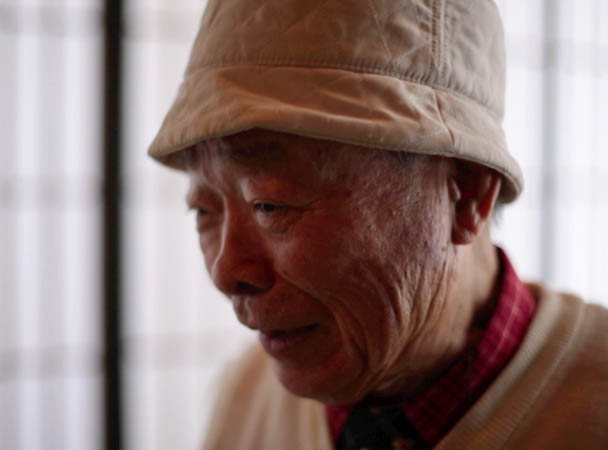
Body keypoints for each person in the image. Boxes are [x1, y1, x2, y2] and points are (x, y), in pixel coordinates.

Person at [148, 0, 608, 448]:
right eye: (204, 211)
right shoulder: (248, 397)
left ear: (466, 193)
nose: (226, 273)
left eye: (270, 205)